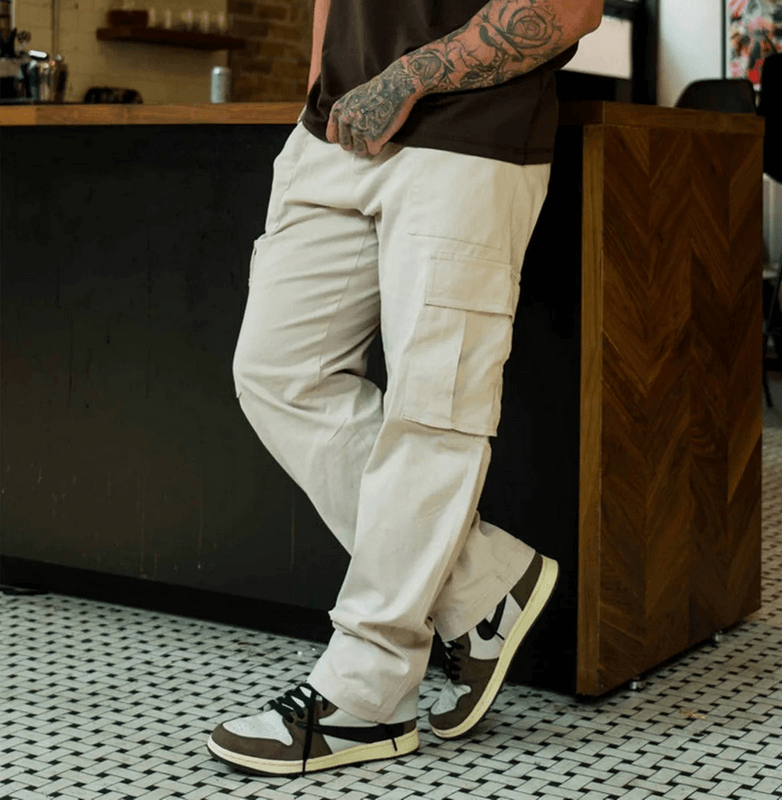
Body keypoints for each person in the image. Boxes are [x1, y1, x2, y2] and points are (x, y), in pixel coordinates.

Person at [208, 0, 603, 777]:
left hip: (468, 135)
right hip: (334, 130)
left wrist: (407, 79)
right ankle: (483, 585)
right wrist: (323, 82)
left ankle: (370, 692)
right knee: (277, 373)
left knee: (433, 413)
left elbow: (568, 7)